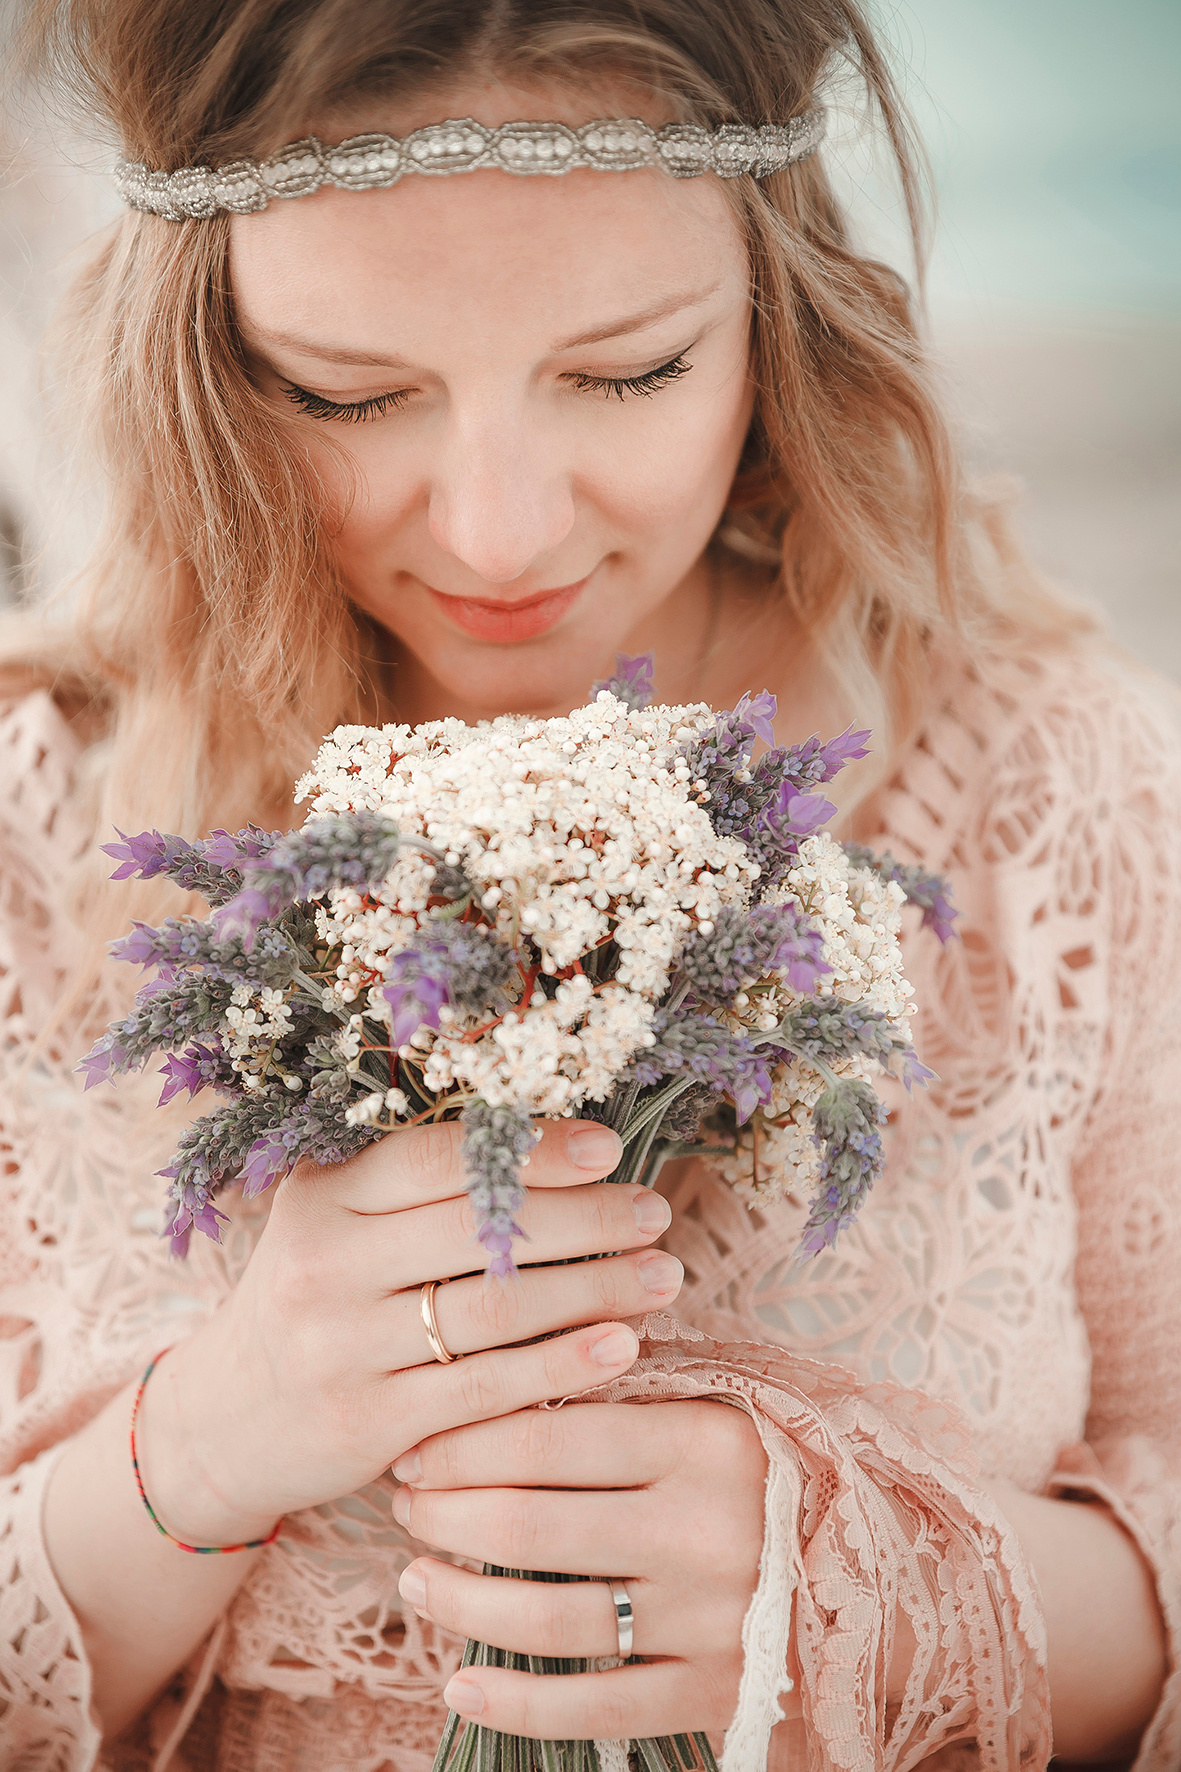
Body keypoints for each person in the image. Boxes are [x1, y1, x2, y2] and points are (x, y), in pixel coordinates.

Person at [1, 1, 1178, 1766]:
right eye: (348, 390)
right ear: (204, 362)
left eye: (625, 370)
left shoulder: (1053, 790)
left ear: (780, 315)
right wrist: (209, 1446)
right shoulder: (38, 818)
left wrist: (899, 1601)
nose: (498, 532)